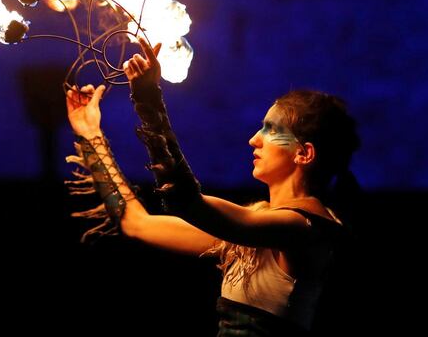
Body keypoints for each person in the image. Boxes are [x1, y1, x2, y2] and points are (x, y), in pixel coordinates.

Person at [65, 38, 360, 336]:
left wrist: (148, 100)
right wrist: (90, 134)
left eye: (272, 130)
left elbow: (186, 201)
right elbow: (137, 223)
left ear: (303, 153)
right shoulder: (253, 230)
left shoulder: (304, 229)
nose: (254, 140)